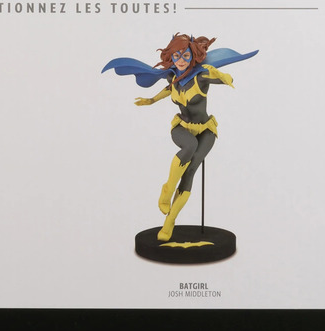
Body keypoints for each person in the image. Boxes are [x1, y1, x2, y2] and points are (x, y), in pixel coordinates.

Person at [103, 33, 257, 241]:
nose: (181, 60)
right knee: (189, 146)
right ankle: (167, 190)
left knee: (190, 171)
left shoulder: (201, 77)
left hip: (206, 129)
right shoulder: (172, 77)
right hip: (182, 127)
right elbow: (168, 90)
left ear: (193, 56)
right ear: (171, 57)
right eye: (176, 56)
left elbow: (228, 79)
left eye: (185, 56)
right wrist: (151, 100)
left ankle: (170, 221)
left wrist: (220, 75)